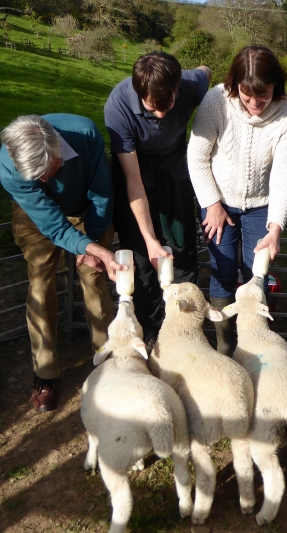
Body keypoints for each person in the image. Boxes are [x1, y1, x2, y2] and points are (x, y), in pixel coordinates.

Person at [0, 114, 125, 412]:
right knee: (41, 282)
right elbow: (53, 226)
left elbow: (102, 193)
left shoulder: (85, 135)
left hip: (88, 206)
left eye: (48, 169)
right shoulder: (10, 168)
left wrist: (92, 245)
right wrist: (84, 245)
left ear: (58, 149)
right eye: (37, 176)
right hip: (38, 215)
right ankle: (44, 374)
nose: (46, 179)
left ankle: (109, 363)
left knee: (94, 277)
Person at [187, 45, 287, 355]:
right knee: (222, 269)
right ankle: (225, 346)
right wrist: (211, 204)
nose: (254, 104)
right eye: (246, 95)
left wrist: (275, 227)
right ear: (235, 84)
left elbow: (283, 175)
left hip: (261, 206)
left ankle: (254, 345)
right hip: (218, 202)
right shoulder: (216, 101)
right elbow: (197, 157)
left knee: (257, 273)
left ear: (276, 86)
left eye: (262, 96)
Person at [103, 52, 212, 348]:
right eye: (153, 108)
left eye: (169, 105)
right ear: (139, 93)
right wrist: (150, 238)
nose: (162, 115)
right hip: (137, 169)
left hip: (174, 168)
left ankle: (187, 325)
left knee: (182, 246)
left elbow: (206, 70)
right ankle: (151, 329)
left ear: (178, 87)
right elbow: (133, 180)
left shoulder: (190, 83)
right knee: (142, 253)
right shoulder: (118, 106)